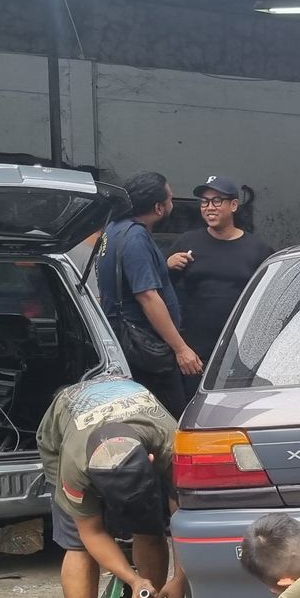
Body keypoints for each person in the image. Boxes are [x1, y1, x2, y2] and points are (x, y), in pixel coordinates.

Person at [37, 377, 190, 598]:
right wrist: (132, 579)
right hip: (63, 427)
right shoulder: (74, 467)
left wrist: (180, 579)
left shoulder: (171, 443)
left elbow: (183, 516)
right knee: (78, 546)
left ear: (150, 460)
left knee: (149, 523)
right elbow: (91, 532)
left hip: (130, 412)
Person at [97, 171, 202, 418]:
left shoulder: (112, 230)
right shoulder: (136, 238)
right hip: (145, 349)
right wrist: (181, 349)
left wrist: (162, 267)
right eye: (170, 199)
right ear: (158, 207)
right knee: (168, 418)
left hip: (124, 342)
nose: (172, 204)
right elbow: (147, 297)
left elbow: (123, 278)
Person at [168, 176, 273, 399]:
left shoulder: (257, 249)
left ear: (233, 205)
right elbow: (160, 292)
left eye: (217, 201)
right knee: (194, 411)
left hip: (242, 351)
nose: (209, 208)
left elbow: (271, 297)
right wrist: (166, 265)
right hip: (195, 354)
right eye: (205, 202)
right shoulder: (187, 242)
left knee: (238, 410)